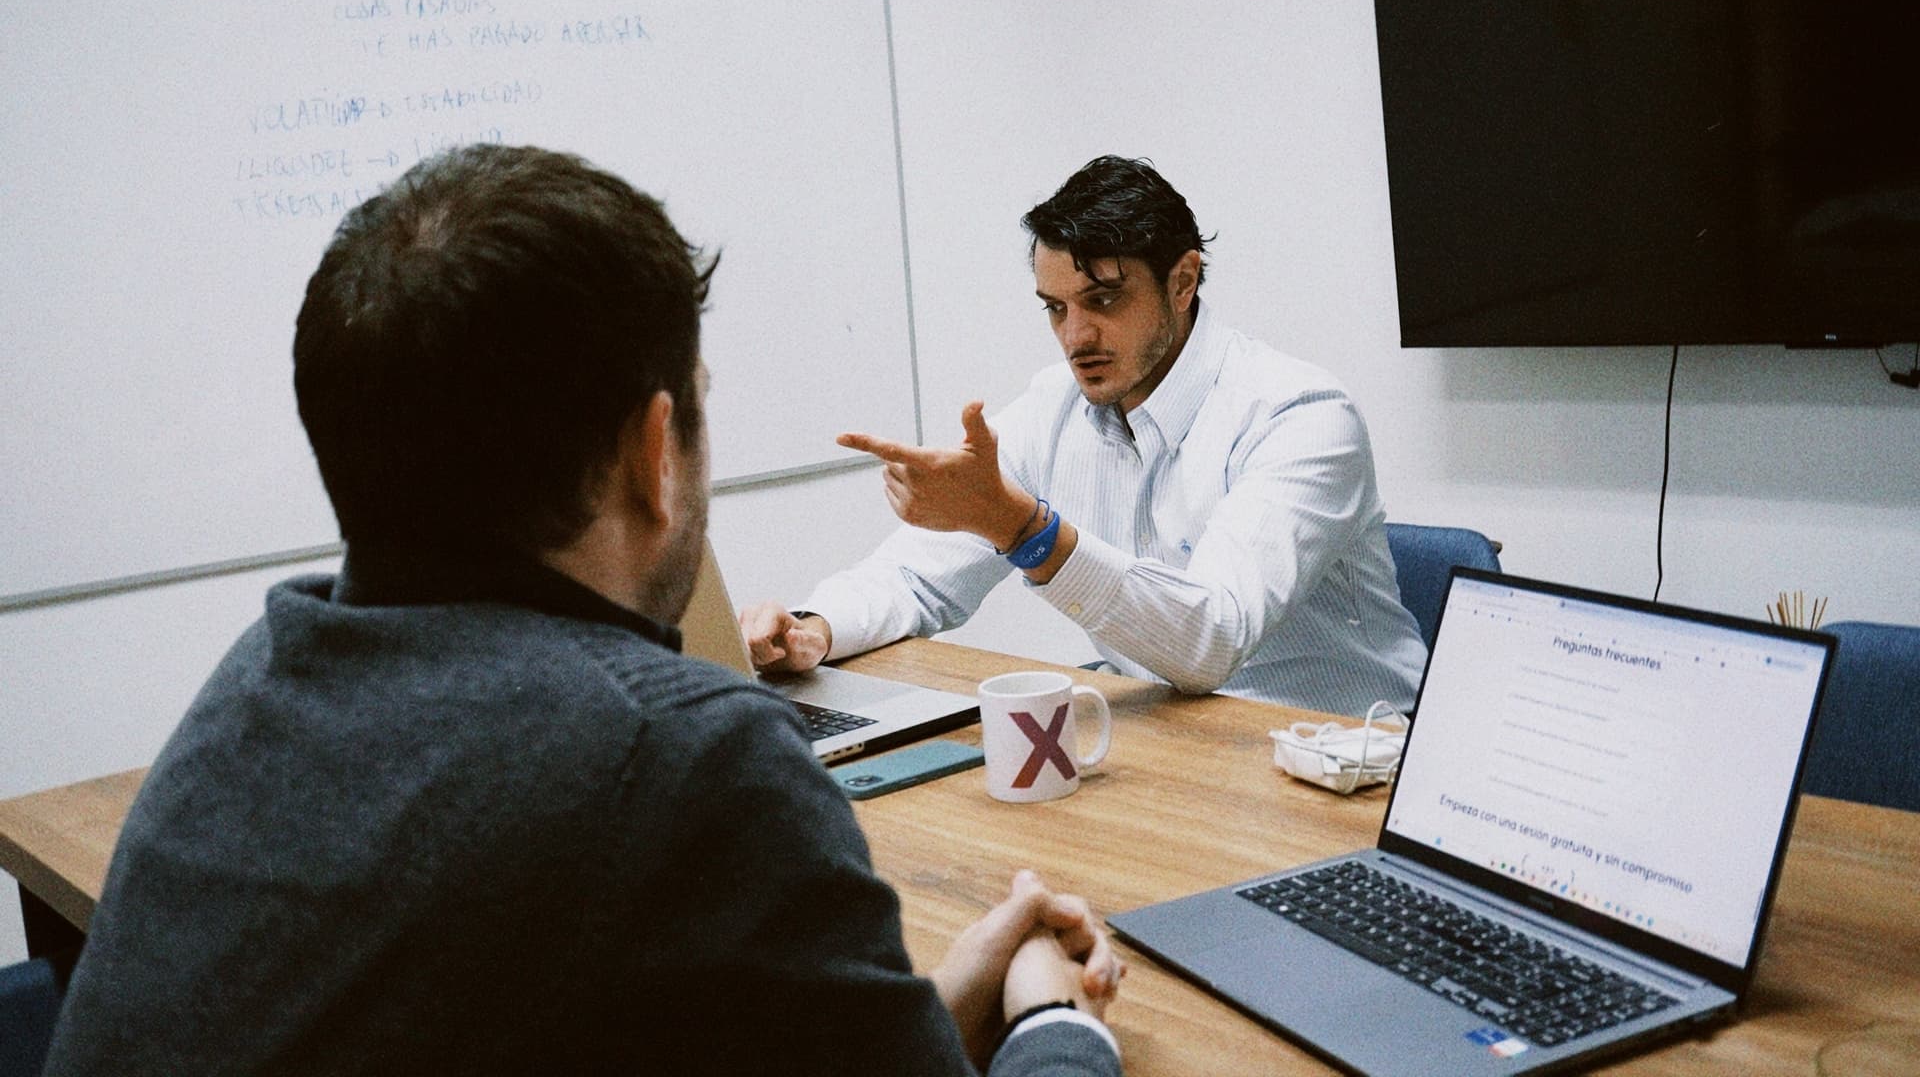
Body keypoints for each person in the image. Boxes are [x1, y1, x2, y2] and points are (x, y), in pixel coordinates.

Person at [44, 145, 1123, 1076]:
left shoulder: (257, 684)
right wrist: (1052, 1017)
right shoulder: (683, 755)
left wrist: (924, 1015)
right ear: (654, 451)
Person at [742, 155, 1427, 718]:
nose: (1076, 338)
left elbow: (1211, 641)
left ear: (1182, 281)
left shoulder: (1298, 415)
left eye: (1103, 302)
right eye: (1056, 309)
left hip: (1340, 763)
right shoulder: (1056, 407)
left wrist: (1022, 529)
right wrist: (812, 628)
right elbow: (917, 579)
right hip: (1169, 741)